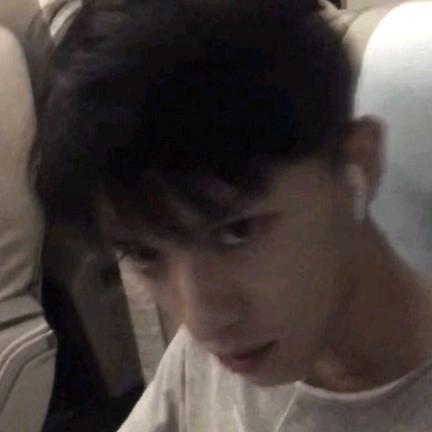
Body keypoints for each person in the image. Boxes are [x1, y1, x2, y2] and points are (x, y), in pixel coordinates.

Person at [35, 0, 432, 430]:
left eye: (236, 231)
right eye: (145, 254)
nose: (202, 321)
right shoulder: (236, 345)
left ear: (359, 164)